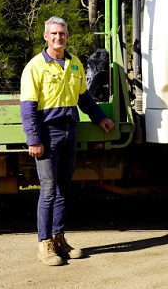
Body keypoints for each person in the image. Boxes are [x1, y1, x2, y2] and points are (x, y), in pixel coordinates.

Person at [20, 16, 114, 266]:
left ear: (67, 36)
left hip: (69, 131)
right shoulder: (35, 66)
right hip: (47, 134)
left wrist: (100, 118)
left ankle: (59, 238)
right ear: (45, 36)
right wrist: (34, 140)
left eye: (62, 34)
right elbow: (28, 108)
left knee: (63, 188)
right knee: (49, 190)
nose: (58, 38)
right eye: (53, 34)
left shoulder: (74, 64)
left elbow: (84, 98)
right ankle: (44, 244)